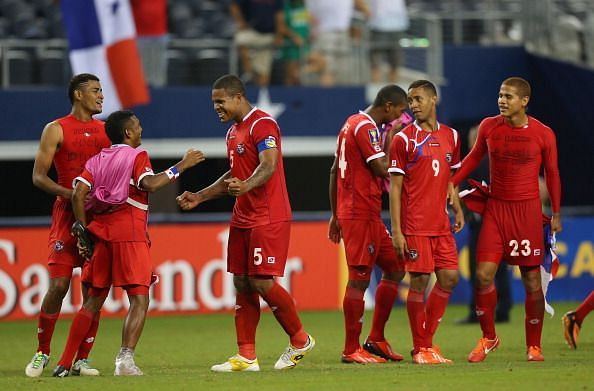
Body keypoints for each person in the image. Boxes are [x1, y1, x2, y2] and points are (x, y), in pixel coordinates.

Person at [177, 74, 315, 372]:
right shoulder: (232, 133)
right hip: (243, 216)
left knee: (262, 281)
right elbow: (232, 176)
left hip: (268, 214)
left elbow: (269, 164)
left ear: (238, 97)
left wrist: (248, 185)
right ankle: (247, 356)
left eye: (220, 101)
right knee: (241, 280)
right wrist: (200, 196)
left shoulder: (262, 124)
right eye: (214, 102)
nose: (216, 107)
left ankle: (300, 339)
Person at [51, 110, 205, 377]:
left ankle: (64, 363)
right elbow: (150, 184)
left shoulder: (97, 158)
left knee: (92, 302)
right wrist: (182, 165)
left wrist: (81, 226)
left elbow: (78, 194)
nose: (141, 129)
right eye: (138, 126)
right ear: (128, 133)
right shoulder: (137, 156)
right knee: (139, 300)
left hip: (101, 233)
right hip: (130, 233)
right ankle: (124, 361)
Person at [450, 77, 562, 362]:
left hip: (527, 213)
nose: (502, 100)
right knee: (482, 275)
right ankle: (489, 338)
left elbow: (552, 174)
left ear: (524, 101)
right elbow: (474, 158)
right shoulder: (489, 126)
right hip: (496, 211)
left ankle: (534, 346)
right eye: (500, 95)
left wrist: (557, 212)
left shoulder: (543, 133)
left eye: (508, 96)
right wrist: (450, 183)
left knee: (531, 280)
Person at [26, 73, 111, 378]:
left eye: (101, 91)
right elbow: (39, 176)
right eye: (95, 91)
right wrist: (72, 195)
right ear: (78, 94)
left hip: (99, 217)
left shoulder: (107, 131)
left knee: (94, 289)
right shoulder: (56, 129)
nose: (101, 95)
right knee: (59, 285)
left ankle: (81, 359)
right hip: (66, 215)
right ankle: (42, 352)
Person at [328, 84, 408, 364]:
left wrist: (335, 214)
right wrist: (406, 160)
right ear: (388, 106)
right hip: (359, 212)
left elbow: (334, 170)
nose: (400, 116)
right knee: (360, 278)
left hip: (364, 213)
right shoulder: (366, 127)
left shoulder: (351, 124)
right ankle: (351, 349)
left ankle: (376, 339)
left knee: (396, 267)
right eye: (400, 110)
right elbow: (381, 168)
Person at [389, 79, 464, 364]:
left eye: (418, 99)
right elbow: (395, 189)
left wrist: (456, 207)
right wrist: (397, 231)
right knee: (419, 282)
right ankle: (421, 348)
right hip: (415, 223)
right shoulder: (404, 139)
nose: (413, 105)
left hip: (441, 223)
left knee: (449, 278)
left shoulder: (452, 137)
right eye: (410, 100)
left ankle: (427, 343)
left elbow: (449, 179)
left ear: (434, 100)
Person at [457, 125, 512, 325]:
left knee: (478, 269)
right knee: (501, 268)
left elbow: (463, 194)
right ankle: (504, 309)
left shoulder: (471, 164)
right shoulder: (502, 162)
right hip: (502, 222)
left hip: (480, 224)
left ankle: (477, 311)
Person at [230, 0, 284, 87]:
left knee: (264, 73)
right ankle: (249, 72)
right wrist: (241, 21)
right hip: (252, 31)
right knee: (240, 39)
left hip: (268, 36)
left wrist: (279, 35)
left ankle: (260, 95)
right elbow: (234, 6)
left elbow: (279, 15)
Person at [368, 0, 409, 83]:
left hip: (398, 25)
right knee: (375, 63)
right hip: (378, 26)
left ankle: (393, 92)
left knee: (395, 63)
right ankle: (376, 93)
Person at [131, 0, 169, 87]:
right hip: (139, 35)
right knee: (141, 74)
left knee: (158, 76)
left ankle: (159, 94)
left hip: (159, 34)